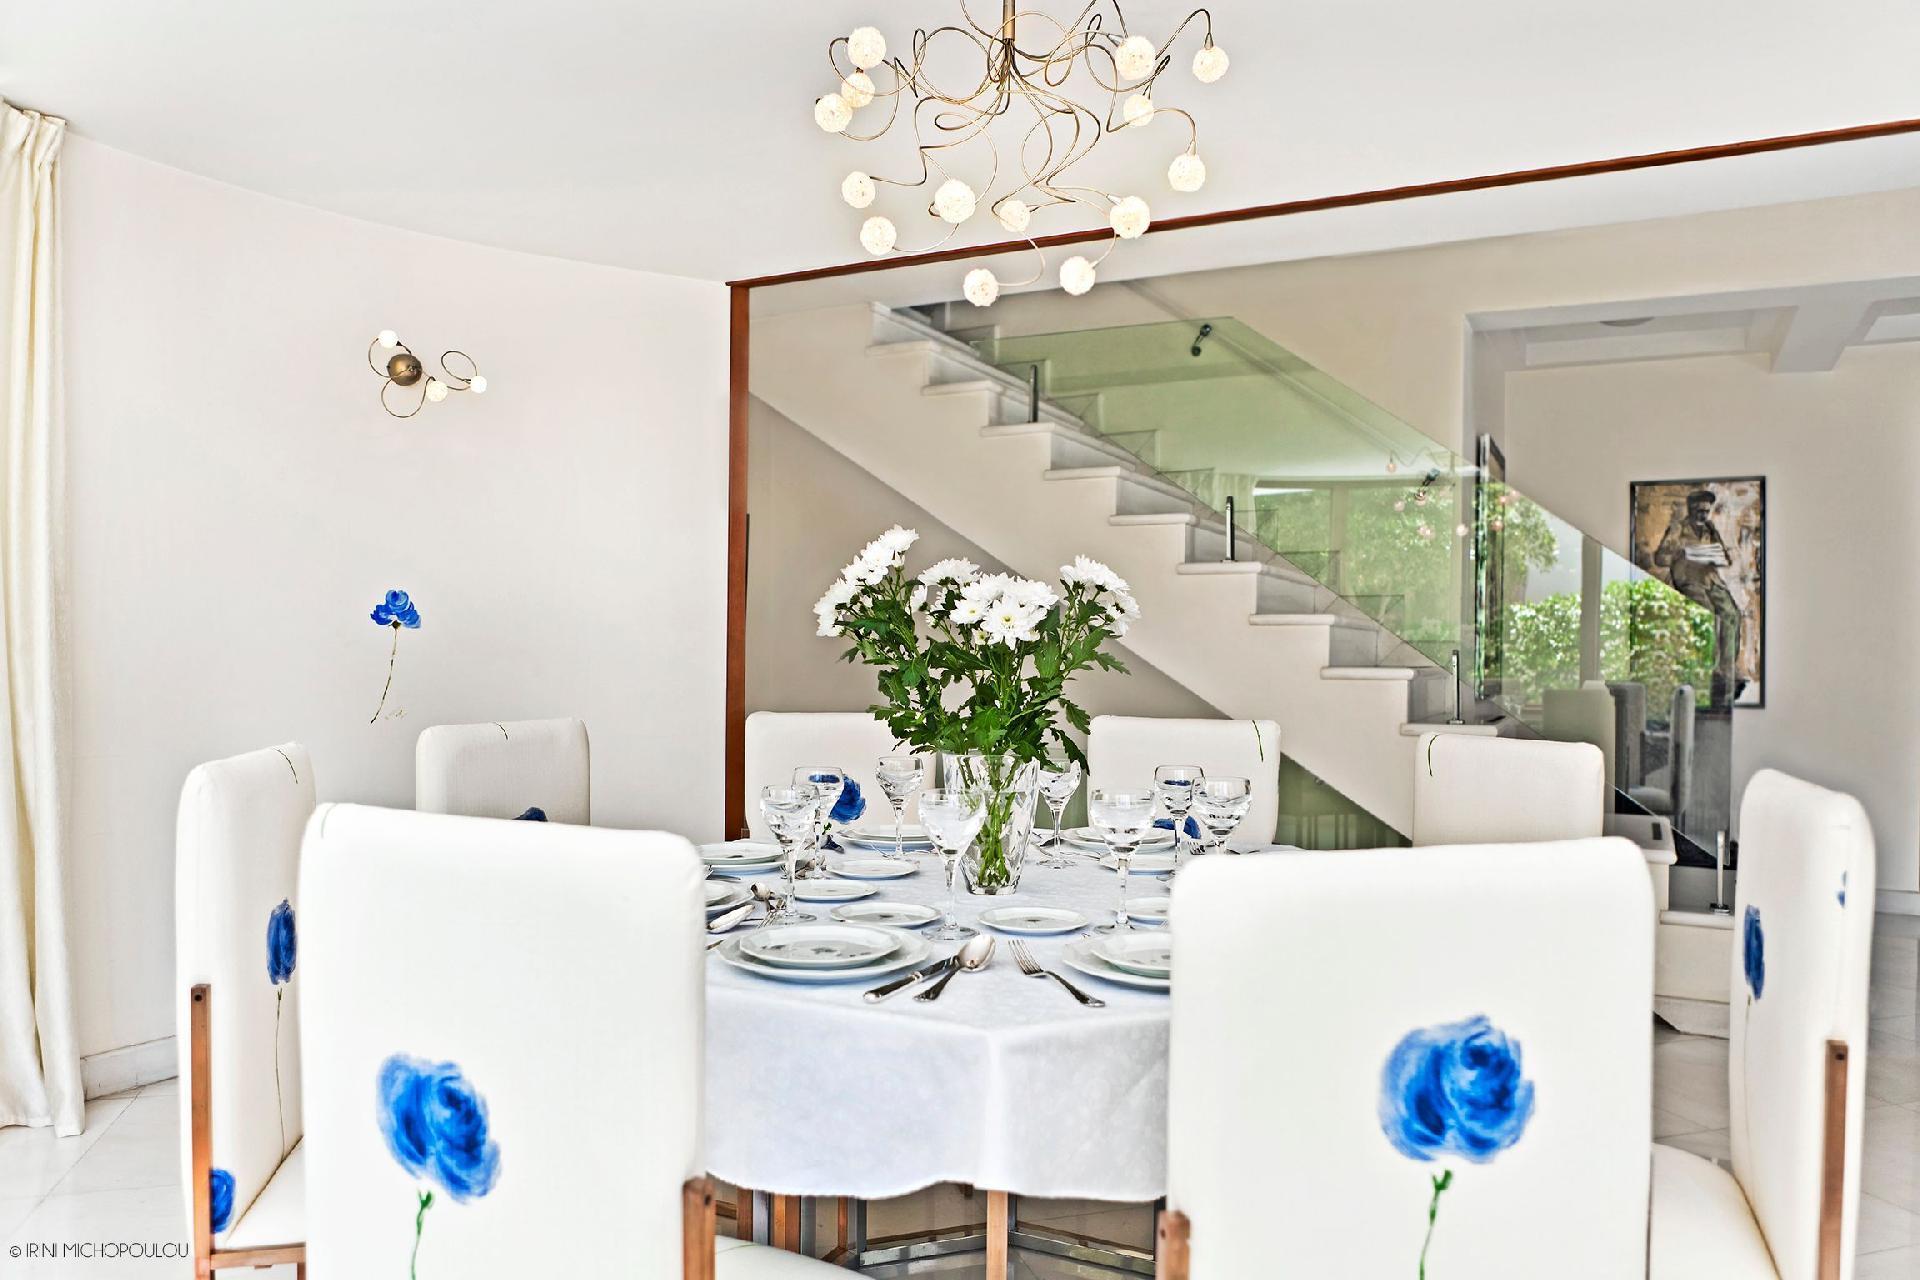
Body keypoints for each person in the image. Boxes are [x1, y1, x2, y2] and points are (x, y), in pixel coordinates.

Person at [1651, 489, 1744, 708]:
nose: (1703, 515)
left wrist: (1718, 557)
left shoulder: (1710, 529)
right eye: (1699, 511)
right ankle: (1705, 672)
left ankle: (1725, 672)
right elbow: (1660, 558)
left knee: (1732, 615)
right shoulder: (1678, 528)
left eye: (1706, 511)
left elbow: (1726, 558)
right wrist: (1681, 552)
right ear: (1691, 509)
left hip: (1711, 580)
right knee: (1706, 615)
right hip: (1689, 579)